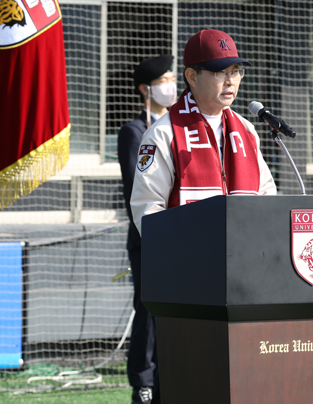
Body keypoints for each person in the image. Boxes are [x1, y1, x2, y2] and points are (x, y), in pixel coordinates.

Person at [129, 29, 276, 403]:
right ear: (192, 77)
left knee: (240, 381)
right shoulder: (164, 133)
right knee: (187, 380)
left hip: (244, 281)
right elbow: (147, 210)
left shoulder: (247, 131)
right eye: (220, 71)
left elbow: (266, 198)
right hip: (189, 285)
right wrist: (185, 261)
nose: (231, 81)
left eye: (236, 71)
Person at [117, 54, 176, 404]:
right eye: (163, 81)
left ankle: (171, 379)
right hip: (148, 237)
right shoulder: (135, 131)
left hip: (181, 238)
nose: (170, 86)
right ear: (145, 89)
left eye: (172, 79)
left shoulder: (180, 128)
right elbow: (136, 190)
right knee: (148, 311)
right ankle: (143, 383)